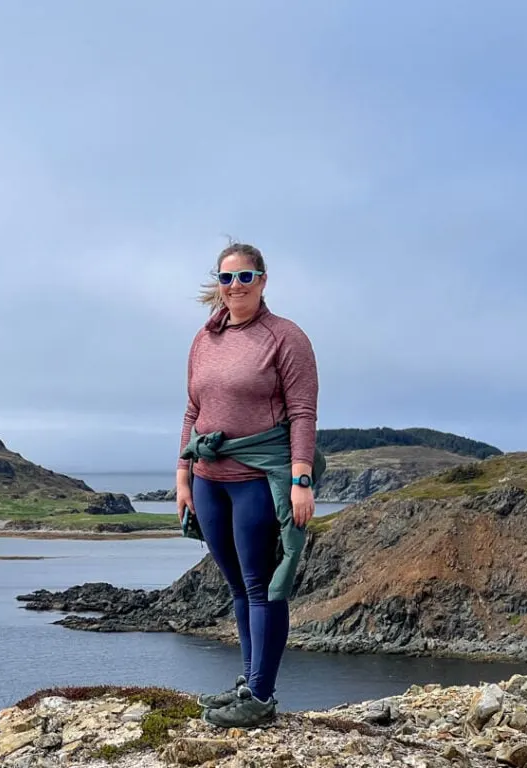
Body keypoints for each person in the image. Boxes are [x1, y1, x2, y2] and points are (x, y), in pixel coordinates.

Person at [175, 241, 321, 729]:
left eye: (244, 277)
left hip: (258, 477)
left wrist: (301, 479)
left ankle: (260, 696)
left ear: (262, 280)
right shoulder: (204, 338)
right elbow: (193, 411)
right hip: (208, 478)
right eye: (226, 278)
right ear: (216, 283)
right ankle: (249, 682)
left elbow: (302, 412)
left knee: (262, 586)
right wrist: (182, 475)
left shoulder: (285, 337)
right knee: (237, 586)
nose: (234, 287)